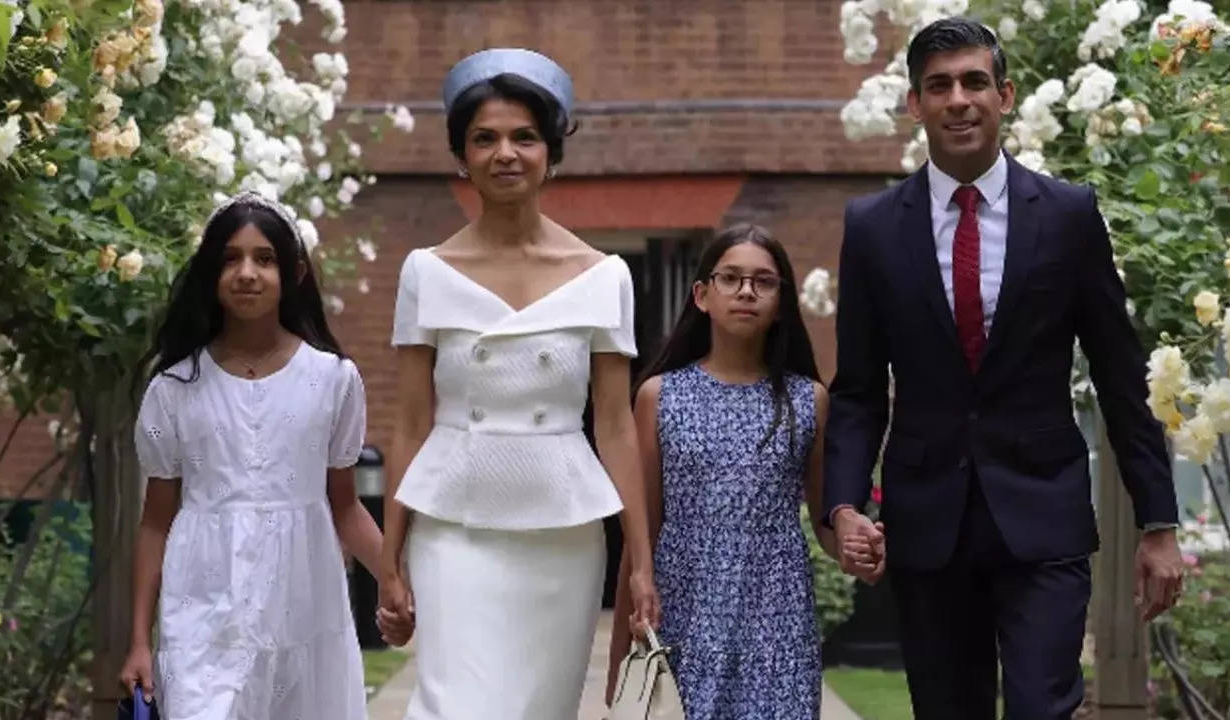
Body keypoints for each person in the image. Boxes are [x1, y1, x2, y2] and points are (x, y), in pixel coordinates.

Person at [824, 17, 1185, 719]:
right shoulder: (871, 228)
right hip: (929, 525)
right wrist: (843, 507)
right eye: (939, 86)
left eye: (974, 81)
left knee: (1041, 707)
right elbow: (861, 389)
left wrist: (1159, 522)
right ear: (915, 105)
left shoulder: (1068, 215)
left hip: (1042, 519)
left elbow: (1120, 376)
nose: (958, 99)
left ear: (1005, 94)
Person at [378, 48, 660, 719]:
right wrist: (389, 559)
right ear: (461, 157)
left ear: (551, 153)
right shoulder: (426, 272)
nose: (506, 153)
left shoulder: (603, 277)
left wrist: (640, 563)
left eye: (524, 137)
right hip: (453, 527)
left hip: (560, 534)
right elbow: (411, 421)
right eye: (485, 138)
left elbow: (615, 426)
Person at [118, 191, 411, 718]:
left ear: (294, 272)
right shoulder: (175, 387)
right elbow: (155, 522)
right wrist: (140, 639)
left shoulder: (331, 380)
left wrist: (396, 580)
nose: (247, 273)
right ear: (211, 272)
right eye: (230, 258)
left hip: (304, 604)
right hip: (200, 605)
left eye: (264, 258)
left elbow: (345, 506)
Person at [606, 224, 836, 719]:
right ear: (702, 295)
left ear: (780, 301)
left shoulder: (807, 401)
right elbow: (642, 529)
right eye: (731, 278)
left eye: (764, 281)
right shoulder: (659, 397)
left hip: (776, 615)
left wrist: (858, 536)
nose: (747, 291)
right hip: (684, 609)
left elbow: (825, 518)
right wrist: (618, 665)